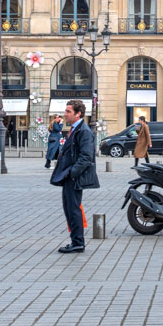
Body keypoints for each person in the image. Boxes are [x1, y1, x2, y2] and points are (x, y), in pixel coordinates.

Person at [50, 99, 99, 253]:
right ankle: (75, 241)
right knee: (69, 208)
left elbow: (86, 156)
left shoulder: (83, 131)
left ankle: (78, 242)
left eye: (68, 111)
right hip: (68, 175)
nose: (65, 114)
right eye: (66, 111)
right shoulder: (75, 129)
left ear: (78, 114)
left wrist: (72, 173)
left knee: (73, 209)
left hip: (73, 177)